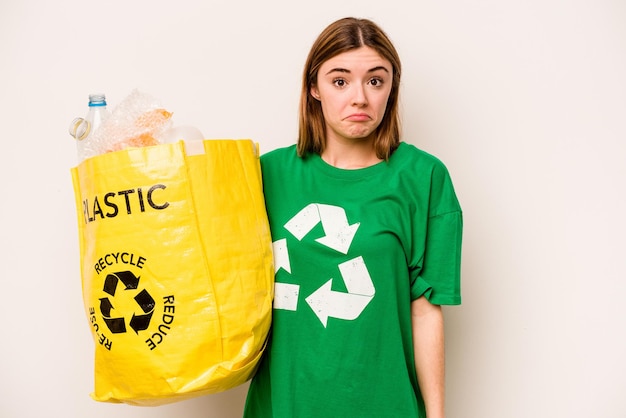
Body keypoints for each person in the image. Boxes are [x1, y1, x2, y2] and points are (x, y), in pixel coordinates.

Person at [244, 17, 462, 418]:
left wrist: (437, 415)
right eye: (340, 81)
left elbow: (426, 310)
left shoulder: (423, 177)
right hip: (285, 404)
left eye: (375, 81)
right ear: (314, 88)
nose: (359, 98)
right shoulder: (264, 175)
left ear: (391, 88)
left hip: (383, 403)